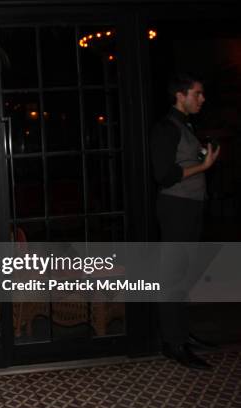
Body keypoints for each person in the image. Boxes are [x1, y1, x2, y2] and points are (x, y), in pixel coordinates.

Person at [150, 73, 220, 370]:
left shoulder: (185, 124)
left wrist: (200, 158)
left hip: (189, 207)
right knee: (174, 278)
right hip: (176, 208)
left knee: (184, 276)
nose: (202, 99)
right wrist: (203, 165)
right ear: (181, 95)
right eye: (198, 93)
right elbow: (163, 175)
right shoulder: (166, 127)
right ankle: (173, 344)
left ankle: (181, 334)